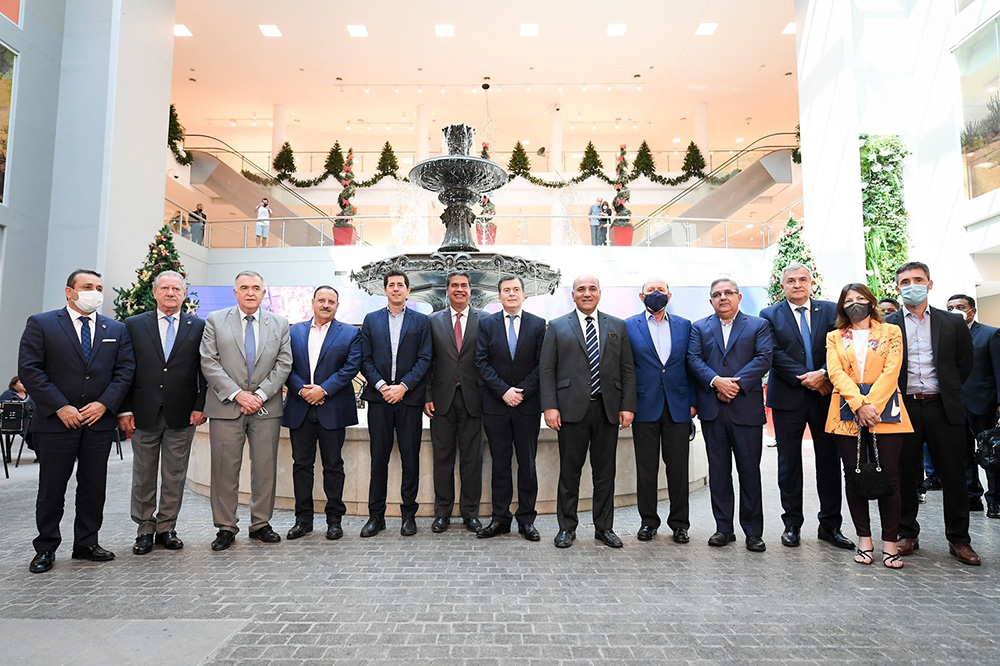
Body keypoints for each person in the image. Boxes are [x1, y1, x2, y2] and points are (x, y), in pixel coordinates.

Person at [17, 269, 135, 574]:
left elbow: (124, 372)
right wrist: (60, 406)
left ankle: (86, 543)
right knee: (52, 488)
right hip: (56, 423)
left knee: (93, 488)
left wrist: (104, 404)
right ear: (69, 291)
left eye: (99, 287)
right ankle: (46, 547)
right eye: (87, 286)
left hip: (98, 423)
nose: (94, 292)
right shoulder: (42, 324)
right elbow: (30, 369)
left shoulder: (116, 329)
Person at [884, 262, 979, 565]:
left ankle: (959, 539)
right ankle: (907, 534)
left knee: (954, 475)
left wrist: (948, 389)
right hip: (904, 407)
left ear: (929, 284)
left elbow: (964, 363)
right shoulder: (886, 325)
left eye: (918, 280)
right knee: (905, 473)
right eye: (905, 281)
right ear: (897, 287)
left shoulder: (951, 322)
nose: (912, 286)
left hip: (943, 406)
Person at [759, 263, 853, 550]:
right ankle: (792, 524)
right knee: (788, 464)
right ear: (783, 286)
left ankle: (830, 526)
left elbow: (842, 348)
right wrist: (807, 378)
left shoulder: (830, 310)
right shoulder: (769, 315)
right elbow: (773, 353)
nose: (797, 284)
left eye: (802, 279)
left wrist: (823, 374)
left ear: (811, 283)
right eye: (791, 281)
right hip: (788, 397)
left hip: (826, 396)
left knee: (829, 462)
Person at [540, 274, 636, 549]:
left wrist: (627, 406)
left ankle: (604, 528)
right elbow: (547, 370)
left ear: (599, 293)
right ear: (573, 295)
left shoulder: (617, 326)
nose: (587, 293)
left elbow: (627, 369)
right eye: (581, 289)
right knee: (569, 473)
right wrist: (550, 406)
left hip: (607, 410)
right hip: (570, 410)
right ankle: (566, 528)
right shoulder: (557, 326)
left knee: (605, 473)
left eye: (592, 288)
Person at [200, 270, 292, 551]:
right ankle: (225, 527)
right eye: (244, 287)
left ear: (264, 292)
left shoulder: (280, 324)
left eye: (255, 288)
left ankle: (261, 523)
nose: (250, 292)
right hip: (227, 405)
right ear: (235, 292)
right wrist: (238, 394)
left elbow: (284, 363)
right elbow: (209, 361)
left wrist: (261, 395)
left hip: (266, 408)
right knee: (224, 469)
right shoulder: (215, 320)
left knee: (265, 469)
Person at [118, 271, 207, 555]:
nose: (171, 293)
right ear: (155, 292)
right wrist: (124, 409)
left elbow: (205, 370)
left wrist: (200, 406)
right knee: (143, 475)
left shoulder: (198, 326)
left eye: (176, 289)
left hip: (183, 414)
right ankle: (145, 528)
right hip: (143, 413)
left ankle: (167, 527)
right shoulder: (134, 325)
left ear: (184, 294)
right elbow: (124, 369)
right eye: (165, 288)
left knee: (175, 475)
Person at [824, 283, 911, 569]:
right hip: (846, 410)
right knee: (854, 475)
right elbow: (836, 372)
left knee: (890, 477)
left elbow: (892, 369)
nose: (855, 303)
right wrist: (858, 404)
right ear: (842, 306)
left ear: (871, 302)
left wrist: (871, 404)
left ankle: (890, 542)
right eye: (849, 300)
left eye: (861, 298)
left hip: (886, 409)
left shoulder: (891, 331)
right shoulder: (835, 336)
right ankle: (864, 539)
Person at [687, 278, 773, 552]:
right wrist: (716, 382)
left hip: (745, 409)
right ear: (710, 300)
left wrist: (733, 384)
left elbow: (764, 358)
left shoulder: (758, 325)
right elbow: (693, 359)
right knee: (719, 472)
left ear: (739, 297)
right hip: (713, 411)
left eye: (728, 293)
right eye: (717, 294)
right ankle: (723, 528)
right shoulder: (699, 327)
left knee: (749, 472)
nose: (723, 297)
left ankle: (753, 532)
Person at [283, 286, 361, 541]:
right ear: (313, 302)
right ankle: (302, 520)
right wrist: (302, 390)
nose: (326, 305)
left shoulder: (350, 333)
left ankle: (334, 520)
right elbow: (285, 365)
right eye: (322, 300)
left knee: (334, 466)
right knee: (301, 466)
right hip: (300, 407)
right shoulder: (293, 332)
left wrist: (323, 390)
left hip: (333, 408)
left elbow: (351, 367)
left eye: (331, 301)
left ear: (337, 305)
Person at [359, 270, 432, 537]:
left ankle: (408, 515)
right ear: (385, 290)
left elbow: (425, 359)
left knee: (410, 459)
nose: (396, 288)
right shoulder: (371, 320)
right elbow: (365, 359)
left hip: (408, 399)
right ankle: (375, 516)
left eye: (401, 285)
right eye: (391, 285)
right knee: (378, 459)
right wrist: (382, 386)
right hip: (379, 399)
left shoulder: (421, 321)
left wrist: (403, 387)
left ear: (408, 290)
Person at [624, 278, 694, 544]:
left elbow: (691, 364)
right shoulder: (628, 325)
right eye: (651, 290)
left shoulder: (685, 325)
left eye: (661, 290)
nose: (656, 294)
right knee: (646, 469)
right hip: (644, 407)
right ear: (641, 296)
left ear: (670, 295)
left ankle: (680, 524)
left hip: (678, 407)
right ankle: (648, 522)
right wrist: (627, 405)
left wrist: (693, 402)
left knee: (678, 470)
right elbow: (626, 368)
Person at [475, 275, 545, 541]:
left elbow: (542, 364)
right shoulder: (486, 324)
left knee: (527, 464)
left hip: (527, 406)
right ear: (499, 296)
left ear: (524, 295)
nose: (512, 294)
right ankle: (500, 519)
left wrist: (522, 392)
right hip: (497, 406)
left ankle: (526, 520)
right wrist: (503, 391)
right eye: (507, 290)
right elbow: (481, 362)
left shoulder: (538, 324)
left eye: (516, 289)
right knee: (500, 464)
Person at [425, 272, 485, 533]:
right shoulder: (432, 321)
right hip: (441, 400)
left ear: (471, 290)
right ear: (447, 290)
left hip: (474, 399)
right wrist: (427, 396)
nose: (459, 289)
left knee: (473, 459)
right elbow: (426, 360)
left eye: (464, 285)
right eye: (454, 286)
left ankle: (470, 513)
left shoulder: (485, 320)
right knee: (443, 458)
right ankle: (442, 513)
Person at [946, 293, 1000, 518]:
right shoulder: (946, 337)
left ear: (972, 311)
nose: (955, 311)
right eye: (950, 308)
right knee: (963, 453)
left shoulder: (990, 334)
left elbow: (999, 370)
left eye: (960, 307)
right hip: (954, 405)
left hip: (983, 402)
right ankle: (971, 496)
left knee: (991, 453)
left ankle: (995, 500)